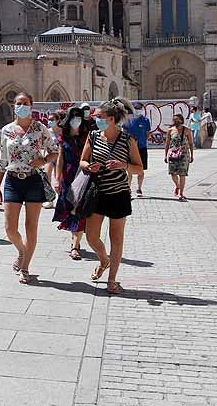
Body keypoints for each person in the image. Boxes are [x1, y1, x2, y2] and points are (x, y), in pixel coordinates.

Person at [79, 100, 144, 295]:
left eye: (99, 116)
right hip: (97, 192)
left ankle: (112, 278)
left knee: (116, 238)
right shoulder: (92, 136)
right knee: (91, 236)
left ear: (112, 119)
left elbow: (139, 168)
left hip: (119, 193)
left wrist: (123, 165)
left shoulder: (127, 140)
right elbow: (82, 161)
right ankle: (103, 260)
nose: (95, 119)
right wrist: (89, 167)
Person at [0, 92, 58, 284]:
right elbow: (2, 158)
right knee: (10, 229)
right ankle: (22, 251)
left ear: (31, 106)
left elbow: (55, 150)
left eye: (25, 103)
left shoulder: (40, 128)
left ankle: (25, 267)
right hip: (12, 180)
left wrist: (44, 160)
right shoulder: (6, 130)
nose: (21, 106)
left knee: (31, 227)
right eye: (18, 103)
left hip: (33, 181)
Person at [53, 107, 87, 260]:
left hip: (83, 176)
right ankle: (76, 242)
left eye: (78, 117)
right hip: (68, 176)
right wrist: (57, 178)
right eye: (73, 117)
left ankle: (75, 246)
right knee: (70, 209)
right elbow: (60, 159)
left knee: (78, 210)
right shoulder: (63, 137)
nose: (76, 119)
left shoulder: (87, 137)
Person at [164, 113, 195, 201]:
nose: (176, 121)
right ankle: (177, 186)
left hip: (184, 154)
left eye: (178, 119)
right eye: (174, 120)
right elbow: (167, 144)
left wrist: (192, 155)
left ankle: (181, 193)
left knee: (182, 174)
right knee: (173, 173)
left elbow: (191, 143)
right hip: (173, 154)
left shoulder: (187, 130)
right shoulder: (170, 130)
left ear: (181, 120)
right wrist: (165, 155)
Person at [125, 101, 150, 196]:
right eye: (136, 108)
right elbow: (124, 132)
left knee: (141, 169)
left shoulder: (146, 120)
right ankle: (128, 188)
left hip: (142, 147)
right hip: (130, 149)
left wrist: (141, 141)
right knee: (129, 169)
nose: (138, 110)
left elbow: (147, 134)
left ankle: (139, 189)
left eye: (139, 108)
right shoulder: (128, 120)